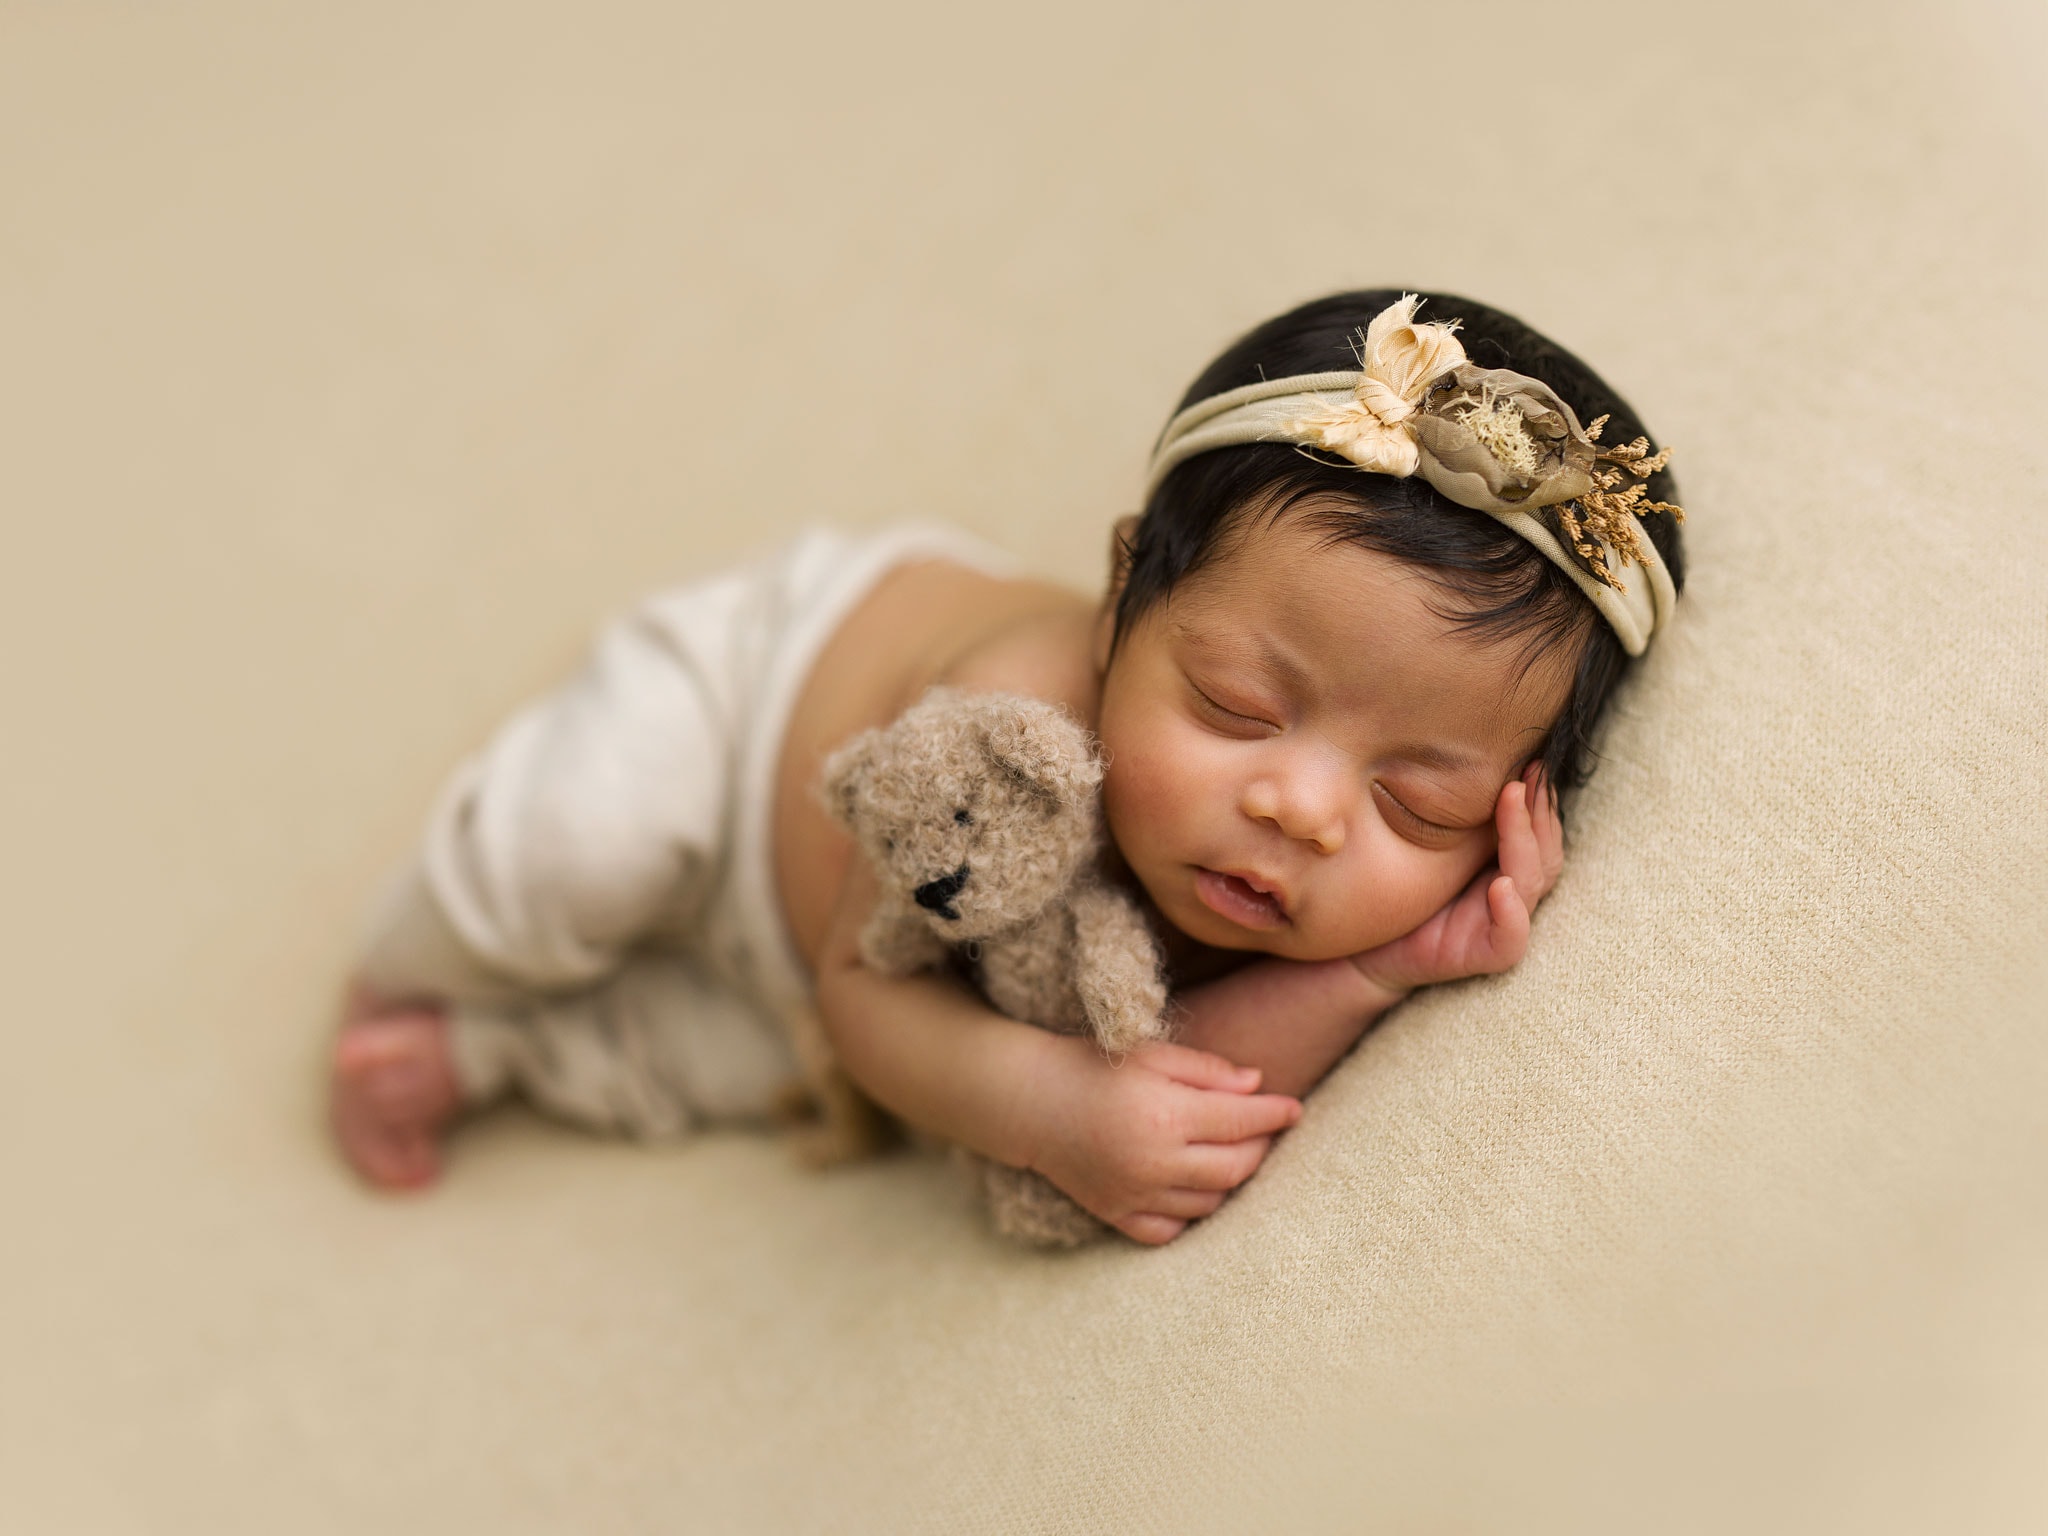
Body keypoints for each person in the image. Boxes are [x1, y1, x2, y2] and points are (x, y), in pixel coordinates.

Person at [331, 289, 1686, 1245]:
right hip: (754, 724)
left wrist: (1372, 973)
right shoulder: (1010, 722)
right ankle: (418, 965)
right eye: (1234, 704)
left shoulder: (1314, 895)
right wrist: (1045, 1113)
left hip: (814, 965)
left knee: (749, 1065)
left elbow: (1186, 1084)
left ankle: (504, 1047)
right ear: (1117, 603)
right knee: (583, 842)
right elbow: (872, 994)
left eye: (1417, 800)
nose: (1302, 810)